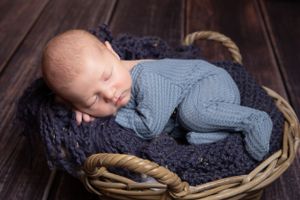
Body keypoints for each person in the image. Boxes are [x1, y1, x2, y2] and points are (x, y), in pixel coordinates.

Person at [42, 29, 273, 161]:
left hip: (209, 85)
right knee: (191, 135)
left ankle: (253, 120)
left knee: (192, 114)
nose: (110, 94)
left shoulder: (145, 75)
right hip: (195, 111)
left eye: (107, 77)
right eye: (94, 98)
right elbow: (63, 101)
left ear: (112, 52)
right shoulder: (115, 88)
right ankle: (223, 133)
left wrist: (110, 115)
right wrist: (78, 108)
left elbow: (150, 128)